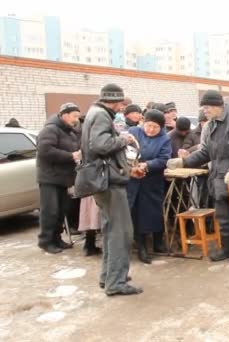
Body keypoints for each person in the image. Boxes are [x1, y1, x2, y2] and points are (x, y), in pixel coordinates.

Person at [167, 90, 229, 268]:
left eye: (207, 107)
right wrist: (184, 162)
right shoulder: (210, 125)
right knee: (223, 217)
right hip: (219, 179)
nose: (205, 111)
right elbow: (205, 152)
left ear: (218, 106)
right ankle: (227, 249)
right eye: (203, 107)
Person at [81, 83, 145, 296]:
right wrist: (123, 139)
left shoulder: (94, 112)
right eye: (121, 103)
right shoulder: (101, 115)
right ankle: (116, 282)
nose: (122, 108)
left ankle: (108, 276)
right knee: (121, 232)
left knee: (111, 230)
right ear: (116, 101)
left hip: (103, 180)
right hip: (108, 182)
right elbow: (100, 145)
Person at [36, 103, 82, 254]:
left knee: (61, 211)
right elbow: (45, 150)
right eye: (74, 116)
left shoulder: (70, 131)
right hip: (50, 177)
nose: (77, 120)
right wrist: (70, 156)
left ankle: (57, 238)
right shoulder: (50, 129)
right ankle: (46, 241)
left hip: (63, 178)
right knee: (50, 211)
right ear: (64, 114)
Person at [127, 109, 172, 264]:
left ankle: (158, 243)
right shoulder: (133, 132)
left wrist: (147, 165)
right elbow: (125, 151)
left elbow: (164, 159)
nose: (151, 129)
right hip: (133, 180)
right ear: (143, 123)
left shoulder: (164, 139)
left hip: (152, 181)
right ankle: (141, 247)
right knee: (136, 214)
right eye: (148, 125)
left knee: (152, 213)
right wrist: (133, 165)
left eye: (155, 127)